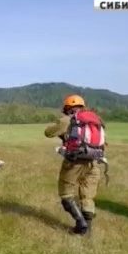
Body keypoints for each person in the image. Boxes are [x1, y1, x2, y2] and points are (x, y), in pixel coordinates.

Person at [44, 95, 104, 236]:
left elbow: (48, 133)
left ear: (67, 108)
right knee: (87, 196)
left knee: (66, 194)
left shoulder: (67, 120)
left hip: (74, 162)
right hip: (93, 162)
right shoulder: (96, 119)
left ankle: (81, 224)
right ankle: (87, 229)